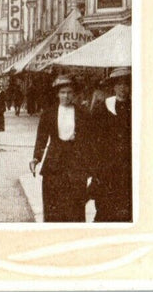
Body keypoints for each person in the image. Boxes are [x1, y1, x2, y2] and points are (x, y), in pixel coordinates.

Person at [30, 74, 91, 222]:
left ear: (74, 94)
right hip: (54, 163)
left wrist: (90, 167)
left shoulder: (83, 113)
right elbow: (42, 138)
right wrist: (36, 158)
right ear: (57, 94)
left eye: (69, 92)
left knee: (75, 206)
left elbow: (89, 141)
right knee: (53, 204)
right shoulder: (49, 113)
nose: (66, 96)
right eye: (63, 92)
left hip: (76, 163)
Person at [88, 67, 132, 222]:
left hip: (127, 165)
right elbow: (94, 139)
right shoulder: (104, 108)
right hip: (106, 166)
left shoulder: (134, 107)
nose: (122, 88)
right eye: (119, 84)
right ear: (113, 87)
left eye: (126, 84)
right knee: (105, 206)